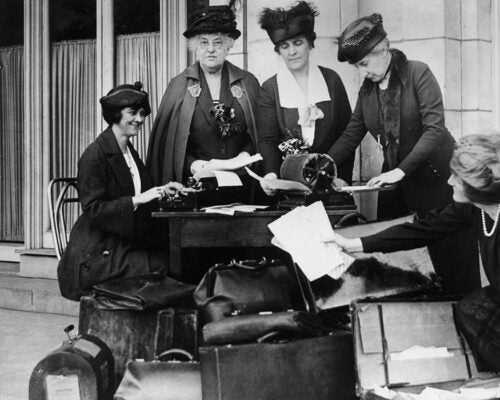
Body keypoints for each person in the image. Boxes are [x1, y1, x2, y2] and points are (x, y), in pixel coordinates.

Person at [334, 133, 500, 400]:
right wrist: (357, 243)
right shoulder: (480, 205)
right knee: (470, 308)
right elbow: (426, 227)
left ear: (476, 188)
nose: (449, 181)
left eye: (456, 178)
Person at [326, 12, 480, 296]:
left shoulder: (418, 73)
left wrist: (400, 170)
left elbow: (435, 130)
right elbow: (352, 133)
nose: (362, 72)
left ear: (383, 50)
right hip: (400, 189)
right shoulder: (368, 91)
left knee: (451, 272)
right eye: (356, 66)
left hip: (442, 187)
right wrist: (324, 164)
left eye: (364, 63)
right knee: (400, 271)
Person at [57, 82, 184, 301]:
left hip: (120, 243)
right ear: (115, 114)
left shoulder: (128, 151)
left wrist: (161, 190)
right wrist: (140, 198)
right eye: (132, 113)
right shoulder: (95, 155)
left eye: (143, 113)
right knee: (165, 265)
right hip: (97, 252)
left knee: (178, 258)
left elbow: (136, 192)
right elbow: (94, 210)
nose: (140, 119)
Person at [146, 0, 260, 203]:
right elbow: (170, 144)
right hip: (196, 188)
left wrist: (245, 155)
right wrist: (193, 164)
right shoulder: (178, 85)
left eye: (217, 42)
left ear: (228, 46)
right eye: (203, 42)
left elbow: (261, 133)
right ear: (194, 48)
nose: (211, 49)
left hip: (244, 186)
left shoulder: (247, 82)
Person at [256, 1, 353, 196]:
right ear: (279, 51)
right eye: (284, 46)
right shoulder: (270, 88)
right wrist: (272, 175)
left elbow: (347, 134)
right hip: (289, 188)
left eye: (298, 43)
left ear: (310, 43)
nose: (292, 52)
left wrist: (341, 176)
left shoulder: (331, 80)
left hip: (331, 184)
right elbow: (267, 139)